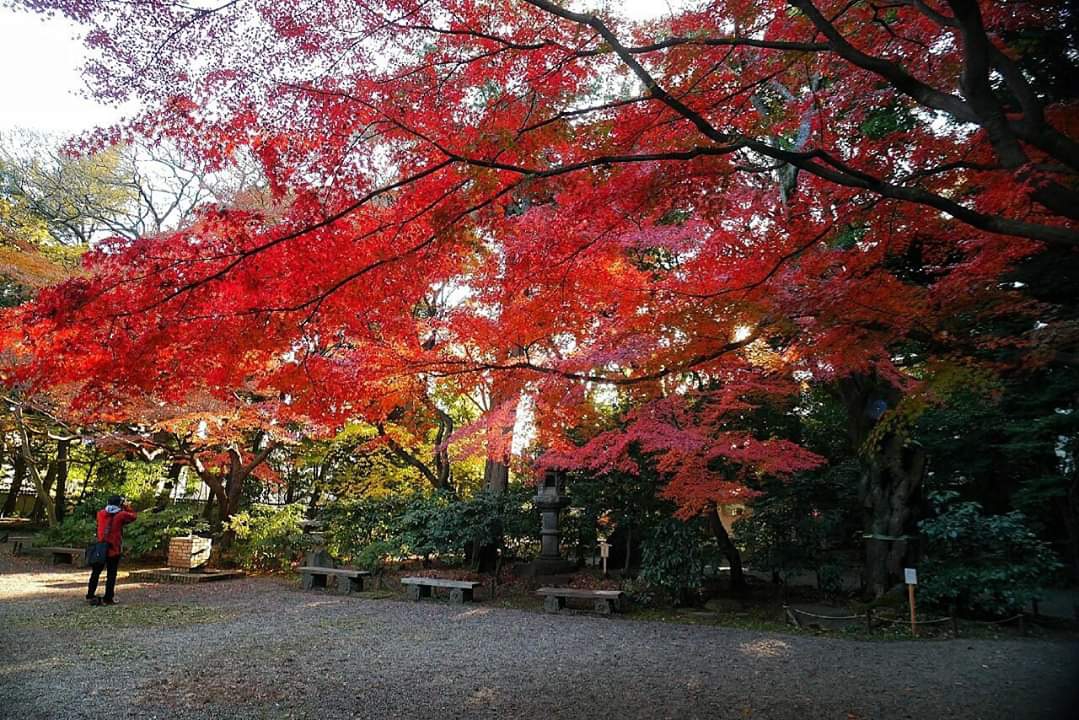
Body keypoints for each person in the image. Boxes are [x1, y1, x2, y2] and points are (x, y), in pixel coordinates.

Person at [86, 495, 137, 606]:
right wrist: (127, 507)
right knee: (111, 575)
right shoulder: (121, 515)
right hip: (113, 549)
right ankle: (108, 598)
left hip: (100, 548)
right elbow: (133, 517)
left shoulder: (100, 514)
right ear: (119, 504)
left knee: (95, 573)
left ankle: (90, 594)